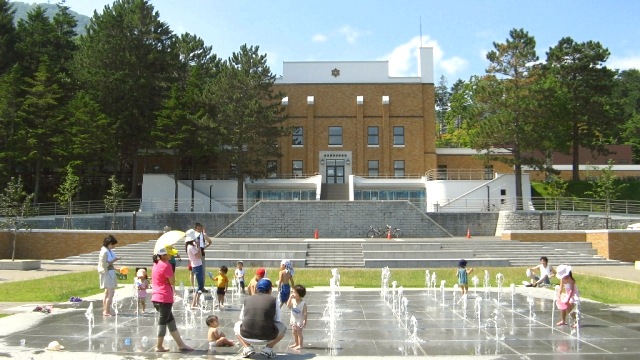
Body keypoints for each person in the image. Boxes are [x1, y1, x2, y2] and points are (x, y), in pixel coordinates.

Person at [151, 246, 193, 352]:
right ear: (164, 255)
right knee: (163, 322)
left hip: (156, 297)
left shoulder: (155, 264)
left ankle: (181, 344)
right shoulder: (166, 265)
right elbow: (172, 281)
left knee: (170, 321)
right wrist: (169, 279)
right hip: (164, 298)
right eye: (169, 253)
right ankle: (159, 346)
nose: (171, 255)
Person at [235, 279, 286, 358]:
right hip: (267, 337)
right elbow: (278, 320)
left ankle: (247, 347)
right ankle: (268, 348)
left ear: (256, 289)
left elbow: (241, 317)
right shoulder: (274, 300)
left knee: (236, 325)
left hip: (246, 336)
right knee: (283, 328)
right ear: (270, 290)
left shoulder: (247, 299)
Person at [97, 235, 120, 316]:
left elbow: (108, 264)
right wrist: (114, 260)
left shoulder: (108, 250)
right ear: (109, 243)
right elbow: (104, 265)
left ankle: (105, 310)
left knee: (107, 292)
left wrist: (116, 268)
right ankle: (106, 311)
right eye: (112, 244)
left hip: (109, 272)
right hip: (106, 273)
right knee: (111, 293)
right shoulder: (104, 252)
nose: (113, 246)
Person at [185, 229, 204, 308]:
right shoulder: (191, 247)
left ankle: (196, 302)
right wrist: (199, 246)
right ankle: (194, 303)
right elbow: (199, 256)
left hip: (197, 265)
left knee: (200, 285)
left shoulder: (191, 246)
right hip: (197, 266)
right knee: (199, 285)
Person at [286, 284, 308, 350]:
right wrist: (290, 299)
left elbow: (305, 312)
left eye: (294, 292)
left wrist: (305, 320)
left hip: (299, 320)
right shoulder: (293, 301)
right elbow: (288, 306)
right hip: (293, 319)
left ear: (299, 294)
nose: (292, 294)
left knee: (299, 333)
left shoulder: (303, 303)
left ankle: (300, 345)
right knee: (293, 332)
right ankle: (296, 343)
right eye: (292, 292)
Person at [195, 222, 212, 290]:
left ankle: (202, 287)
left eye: (200, 228)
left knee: (202, 270)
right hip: (195, 255)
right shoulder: (193, 235)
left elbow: (210, 241)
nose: (199, 230)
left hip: (201, 254)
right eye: (198, 228)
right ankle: (196, 286)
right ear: (195, 229)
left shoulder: (203, 235)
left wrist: (204, 247)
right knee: (196, 271)